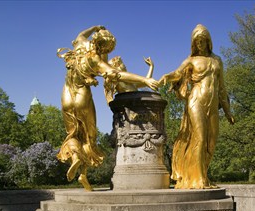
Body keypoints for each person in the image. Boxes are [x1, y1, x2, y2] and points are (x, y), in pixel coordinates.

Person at [57, 25, 158, 190]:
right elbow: (117, 74)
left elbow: (81, 34)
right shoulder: (97, 62)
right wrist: (145, 80)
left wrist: (94, 27)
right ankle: (82, 170)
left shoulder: (81, 45)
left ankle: (75, 157)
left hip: (67, 95)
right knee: (89, 137)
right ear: (105, 48)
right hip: (82, 97)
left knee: (73, 133)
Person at [159, 24, 234, 189]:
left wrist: (228, 111)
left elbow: (221, 88)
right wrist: (167, 76)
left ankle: (202, 175)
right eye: (197, 41)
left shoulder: (217, 60)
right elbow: (178, 73)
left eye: (203, 41)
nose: (200, 44)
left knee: (211, 141)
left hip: (213, 104)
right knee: (199, 137)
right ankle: (197, 180)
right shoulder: (191, 60)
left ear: (208, 41)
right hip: (196, 100)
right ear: (194, 43)